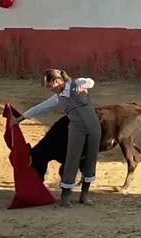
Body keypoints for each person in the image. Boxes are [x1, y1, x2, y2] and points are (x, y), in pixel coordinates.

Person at [13, 69, 101, 208]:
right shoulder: (57, 98)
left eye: (49, 86)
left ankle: (85, 195)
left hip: (94, 126)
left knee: (91, 158)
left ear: (58, 81)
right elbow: (39, 108)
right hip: (76, 128)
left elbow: (90, 81)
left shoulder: (76, 83)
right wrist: (20, 119)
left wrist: (83, 86)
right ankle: (65, 197)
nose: (49, 90)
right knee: (72, 158)